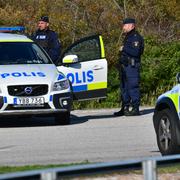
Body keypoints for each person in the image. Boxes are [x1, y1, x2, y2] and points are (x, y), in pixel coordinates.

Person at [114, 18, 144, 116]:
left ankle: (135, 108)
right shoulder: (127, 36)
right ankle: (125, 108)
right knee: (124, 88)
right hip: (124, 67)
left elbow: (136, 52)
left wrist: (124, 48)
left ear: (132, 25)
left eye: (125, 25)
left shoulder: (135, 37)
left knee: (133, 87)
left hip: (132, 67)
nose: (123, 27)